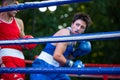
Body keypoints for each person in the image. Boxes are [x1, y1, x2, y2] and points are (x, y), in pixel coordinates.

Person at [30, 12, 92, 80]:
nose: (78, 28)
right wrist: (72, 65)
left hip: (57, 69)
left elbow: (65, 59)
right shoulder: (65, 33)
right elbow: (57, 55)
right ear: (72, 24)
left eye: (82, 27)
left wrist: (76, 54)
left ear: (84, 30)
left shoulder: (74, 40)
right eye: (77, 24)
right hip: (43, 67)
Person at [0, 0, 37, 80]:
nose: (18, 9)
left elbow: (22, 43)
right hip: (6, 58)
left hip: (20, 59)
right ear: (6, 4)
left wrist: (28, 43)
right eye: (15, 5)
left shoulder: (19, 22)